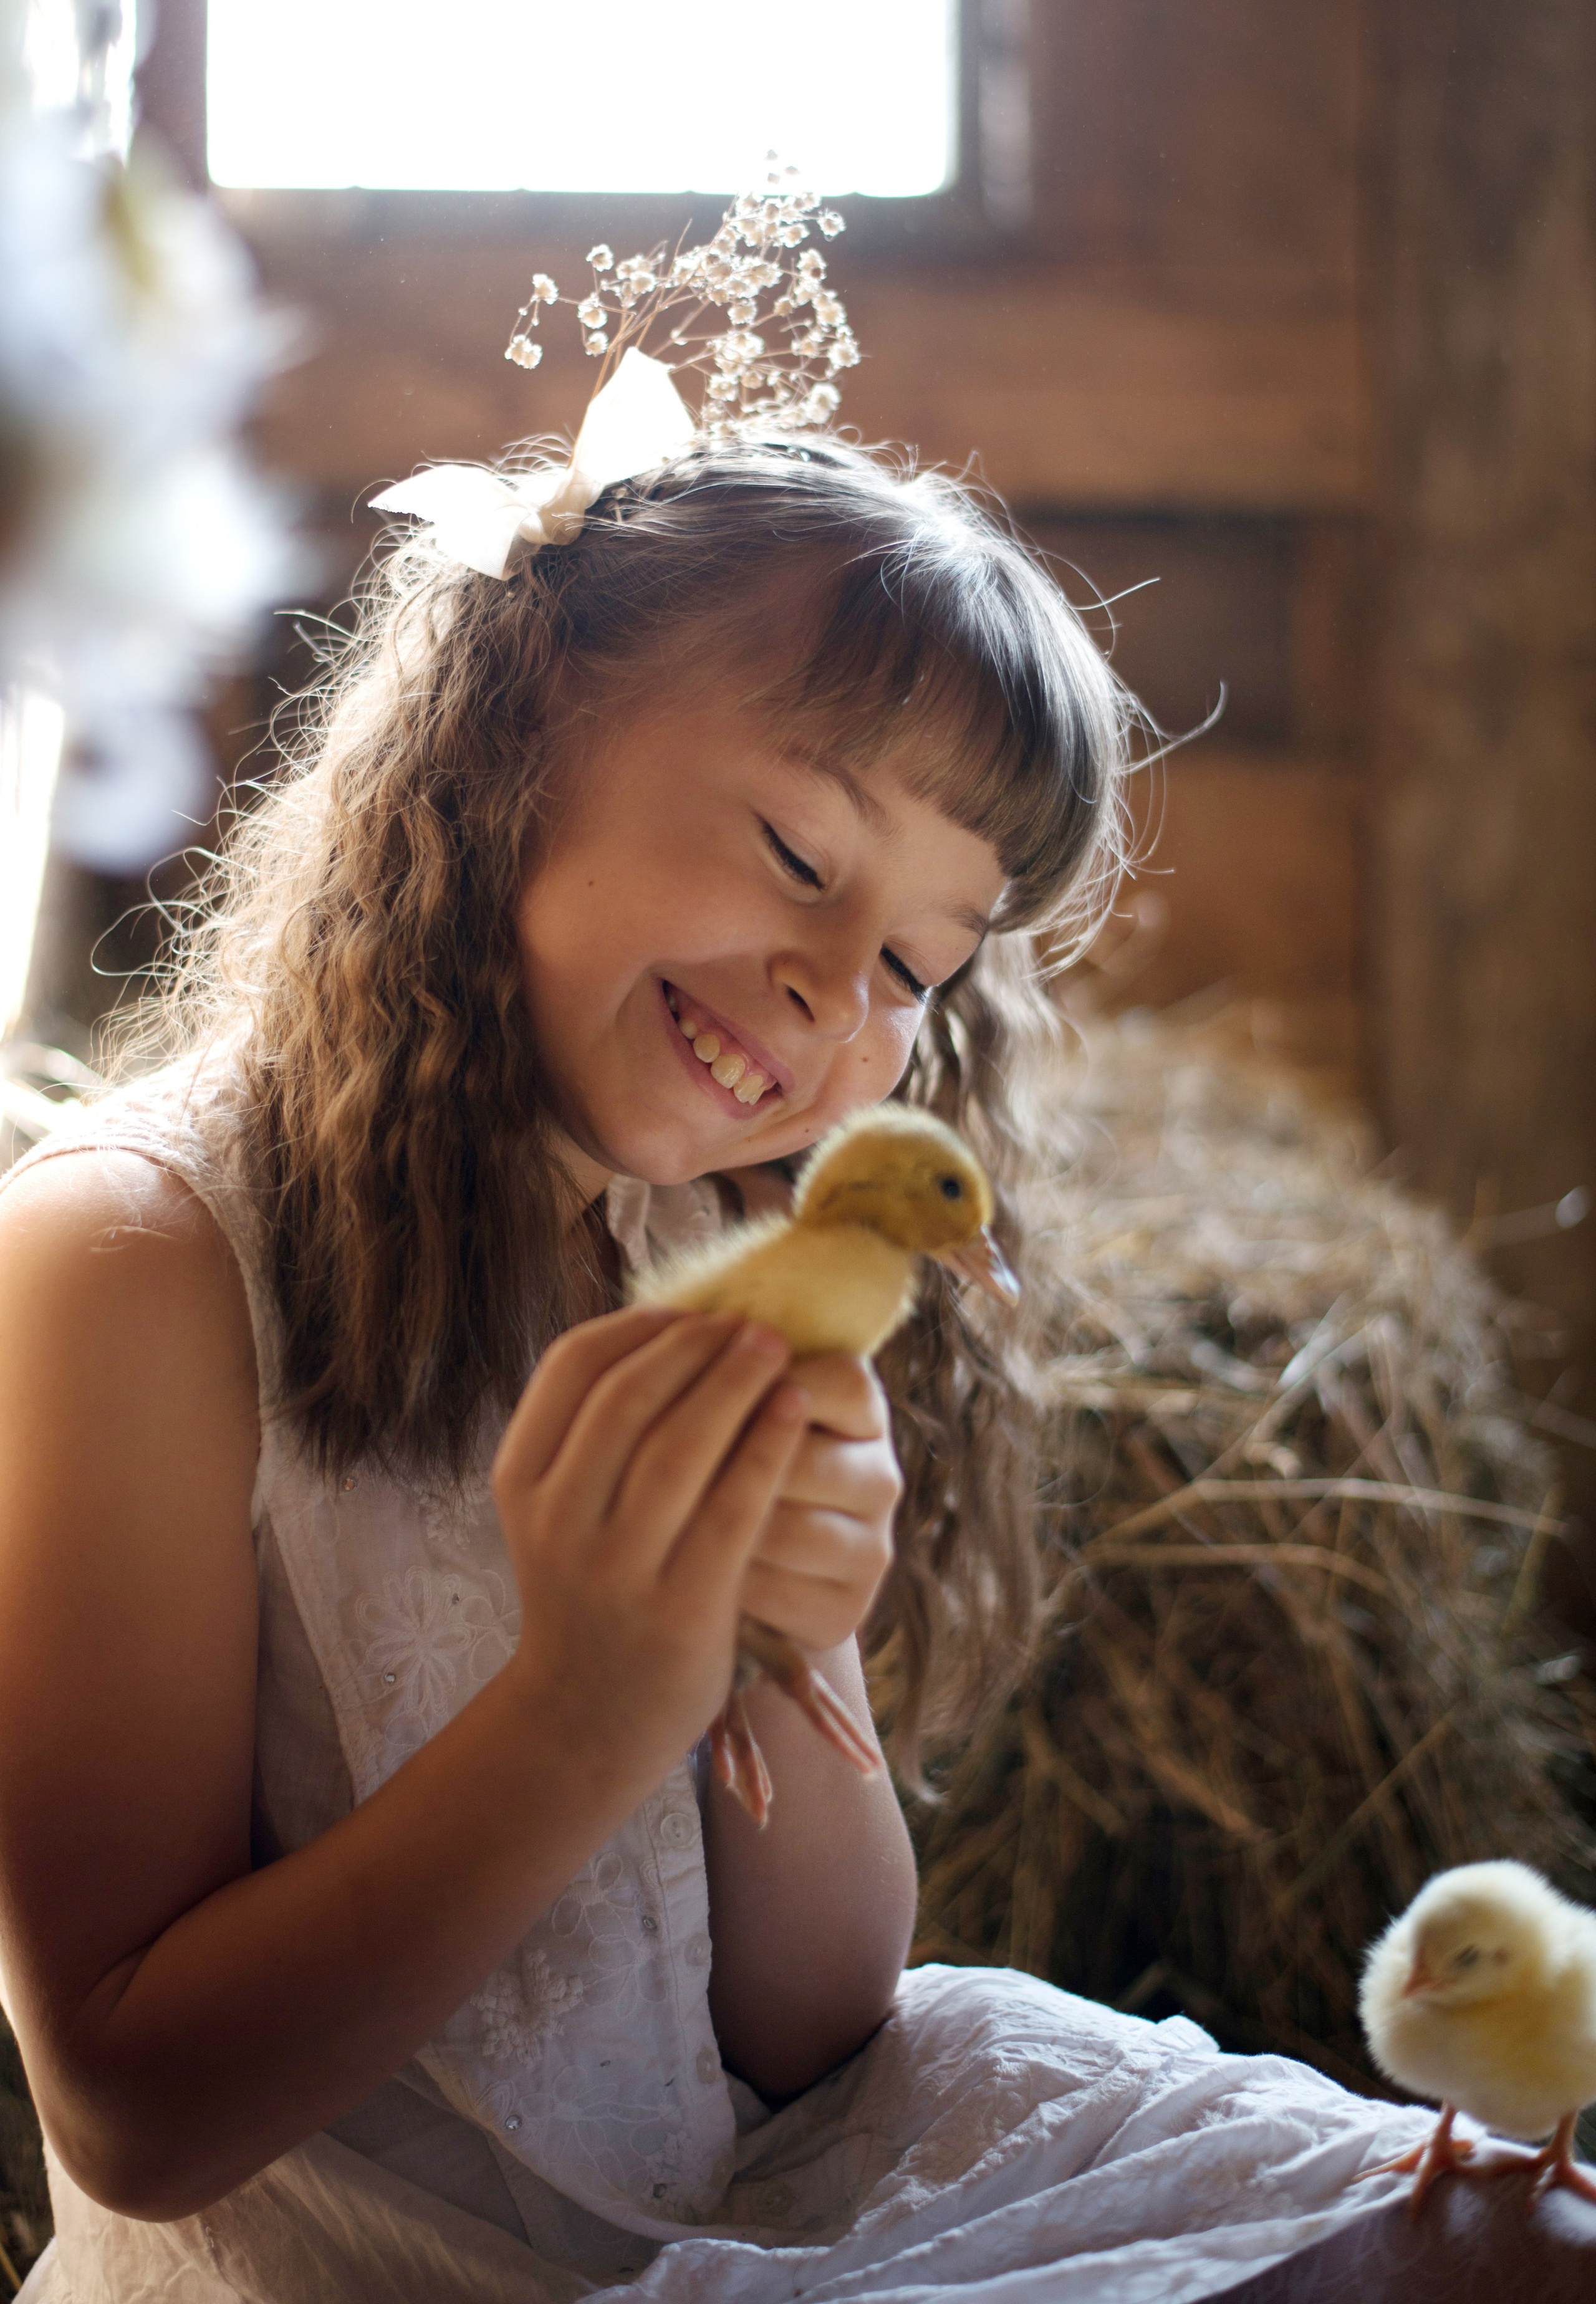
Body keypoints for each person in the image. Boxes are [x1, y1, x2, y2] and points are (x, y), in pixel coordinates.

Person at [1, 202, 1591, 2303]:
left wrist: (782, 1655)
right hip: (395, 2267)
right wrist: (588, 1701)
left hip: (759, 2181)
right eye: (795, 852)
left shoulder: (703, 1247)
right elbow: (136, 2109)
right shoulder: (134, 1263)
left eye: (923, 965)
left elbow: (819, 2026)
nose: (845, 993)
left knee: (1526, 2233)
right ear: (512, 727)